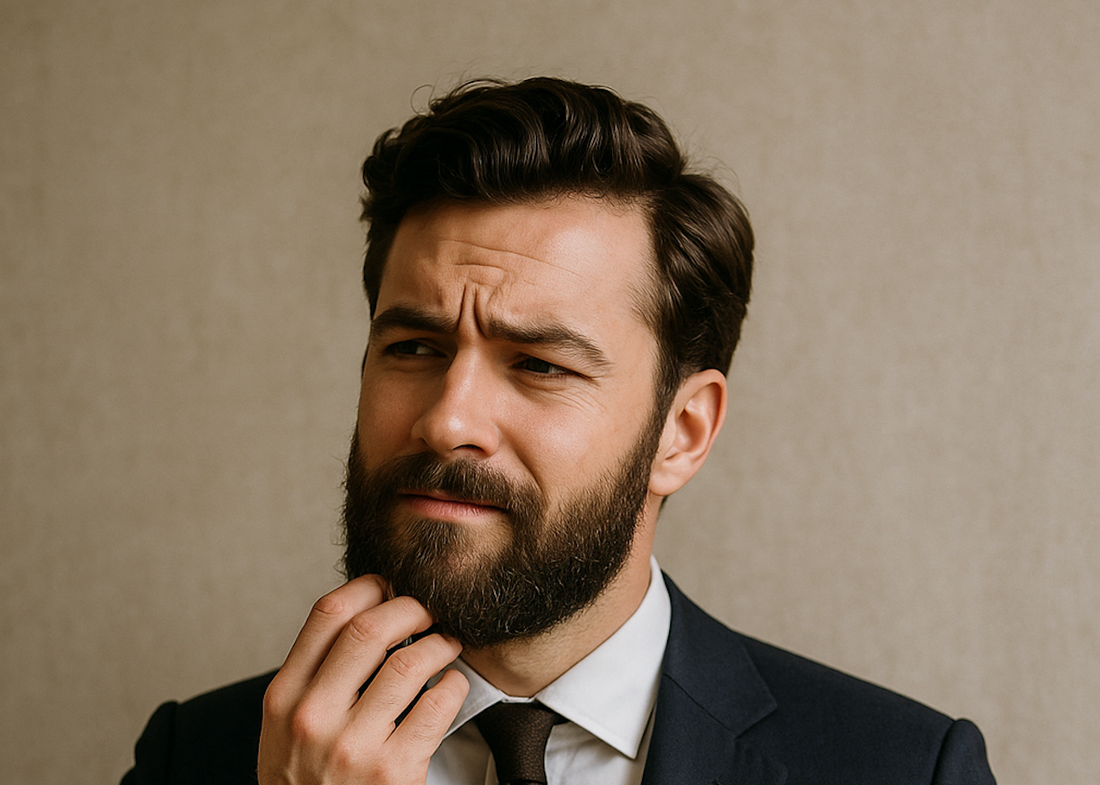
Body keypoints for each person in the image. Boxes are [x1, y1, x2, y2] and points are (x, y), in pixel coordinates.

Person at [122, 77, 995, 784]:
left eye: (540, 364)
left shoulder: (904, 768)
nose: (447, 419)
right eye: (415, 345)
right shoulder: (193, 759)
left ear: (681, 432)